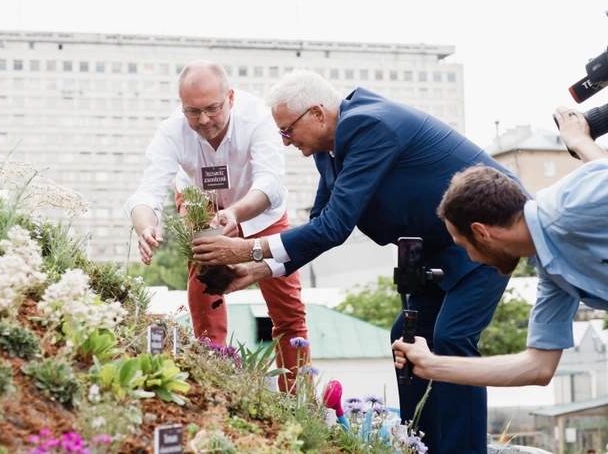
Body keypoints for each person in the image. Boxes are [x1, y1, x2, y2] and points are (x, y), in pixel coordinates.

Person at [191, 69, 524, 454]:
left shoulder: (370, 126)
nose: (285, 142)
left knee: (452, 340)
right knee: (406, 339)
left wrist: (247, 249)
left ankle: (464, 450)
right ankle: (421, 445)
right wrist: (256, 271)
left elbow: (335, 226)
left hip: (491, 235)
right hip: (440, 250)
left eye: (287, 131)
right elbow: (321, 223)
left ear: (317, 113)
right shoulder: (329, 149)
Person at [123, 60, 309, 391]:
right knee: (207, 286)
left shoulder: (258, 118)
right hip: (202, 206)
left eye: (212, 109)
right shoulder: (171, 131)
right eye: (192, 111)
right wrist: (145, 226)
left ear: (231, 98)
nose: (204, 120)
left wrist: (237, 213)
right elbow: (147, 192)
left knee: (288, 309)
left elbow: (270, 183)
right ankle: (217, 382)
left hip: (259, 210)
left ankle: (298, 397)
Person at [392, 107, 608, 388]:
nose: (469, 258)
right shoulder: (552, 270)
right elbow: (538, 367)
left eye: (463, 245)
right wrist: (431, 364)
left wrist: (581, 143)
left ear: (481, 232)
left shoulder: (566, 206)